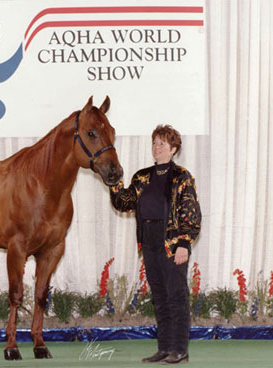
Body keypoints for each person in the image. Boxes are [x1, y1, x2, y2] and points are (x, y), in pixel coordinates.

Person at [109, 125, 201, 364]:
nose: (157, 147)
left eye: (162, 143)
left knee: (176, 296)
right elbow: (124, 203)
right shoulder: (141, 176)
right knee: (159, 297)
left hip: (171, 241)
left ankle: (180, 349)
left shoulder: (182, 176)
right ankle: (165, 348)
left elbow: (191, 214)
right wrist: (113, 183)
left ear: (173, 149)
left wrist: (184, 244)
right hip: (148, 239)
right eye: (155, 142)